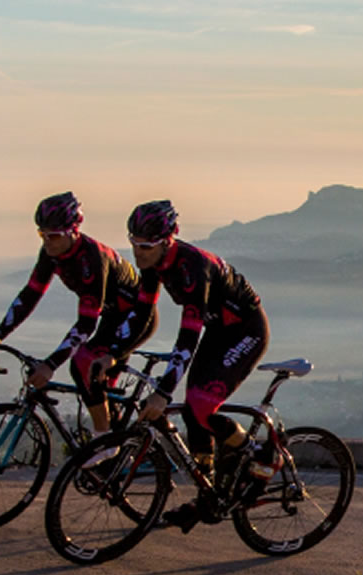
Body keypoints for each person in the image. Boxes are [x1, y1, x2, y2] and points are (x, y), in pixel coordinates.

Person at [92, 199, 269, 532]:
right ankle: (209, 493)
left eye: (145, 245)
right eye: (133, 243)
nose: (137, 252)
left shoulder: (191, 269)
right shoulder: (152, 265)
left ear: (167, 240)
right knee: (191, 410)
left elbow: (187, 338)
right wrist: (112, 354)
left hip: (246, 330)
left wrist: (161, 392)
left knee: (202, 405)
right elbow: (141, 315)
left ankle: (260, 454)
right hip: (219, 331)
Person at [0, 191, 158, 445]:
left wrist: (50, 365)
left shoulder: (92, 258)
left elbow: (86, 324)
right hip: (113, 317)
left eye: (53, 235)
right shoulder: (52, 253)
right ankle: (115, 455)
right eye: (41, 233)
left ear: (73, 230)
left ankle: (103, 445)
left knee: (82, 363)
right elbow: (30, 295)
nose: (46, 240)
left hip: (137, 319)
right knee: (99, 391)